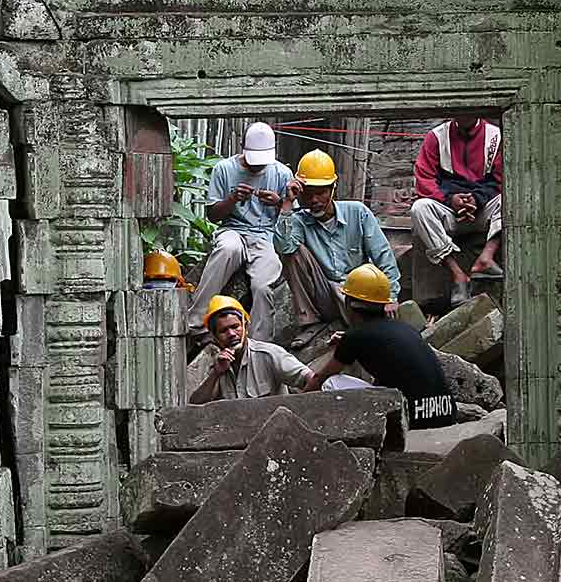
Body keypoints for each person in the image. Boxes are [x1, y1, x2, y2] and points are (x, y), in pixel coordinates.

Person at [303, 265, 458, 429]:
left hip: (411, 421)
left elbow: (320, 378)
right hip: (445, 413)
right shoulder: (404, 328)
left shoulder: (355, 336)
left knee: (331, 383)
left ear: (349, 304)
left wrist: (295, 404)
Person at [273, 149, 401, 340]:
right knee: (294, 251)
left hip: (357, 295)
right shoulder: (299, 220)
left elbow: (383, 255)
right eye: (308, 194)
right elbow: (284, 248)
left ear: (333, 189)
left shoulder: (358, 213)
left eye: (321, 193)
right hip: (325, 295)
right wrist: (287, 205)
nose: (314, 200)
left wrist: (391, 296)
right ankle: (310, 322)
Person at [186, 121, 295, 345]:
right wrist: (232, 199)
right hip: (232, 229)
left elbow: (290, 215)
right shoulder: (224, 169)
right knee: (227, 249)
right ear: (242, 146)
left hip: (266, 235)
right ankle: (195, 323)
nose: (257, 167)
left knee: (263, 285)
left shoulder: (282, 173)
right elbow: (214, 216)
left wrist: (278, 202)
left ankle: (258, 344)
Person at [410, 113, 503, 305]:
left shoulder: (496, 136)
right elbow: (424, 179)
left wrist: (476, 200)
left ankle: (486, 258)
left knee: (510, 199)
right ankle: (458, 275)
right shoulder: (436, 137)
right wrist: (450, 200)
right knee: (420, 208)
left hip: (483, 209)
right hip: (450, 212)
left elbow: (501, 178)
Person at [189, 295, 312, 403]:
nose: (231, 334)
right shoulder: (217, 365)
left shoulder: (269, 354)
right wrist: (216, 373)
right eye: (223, 331)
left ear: (246, 327)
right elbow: (195, 406)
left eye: (235, 326)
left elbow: (309, 378)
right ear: (215, 338)